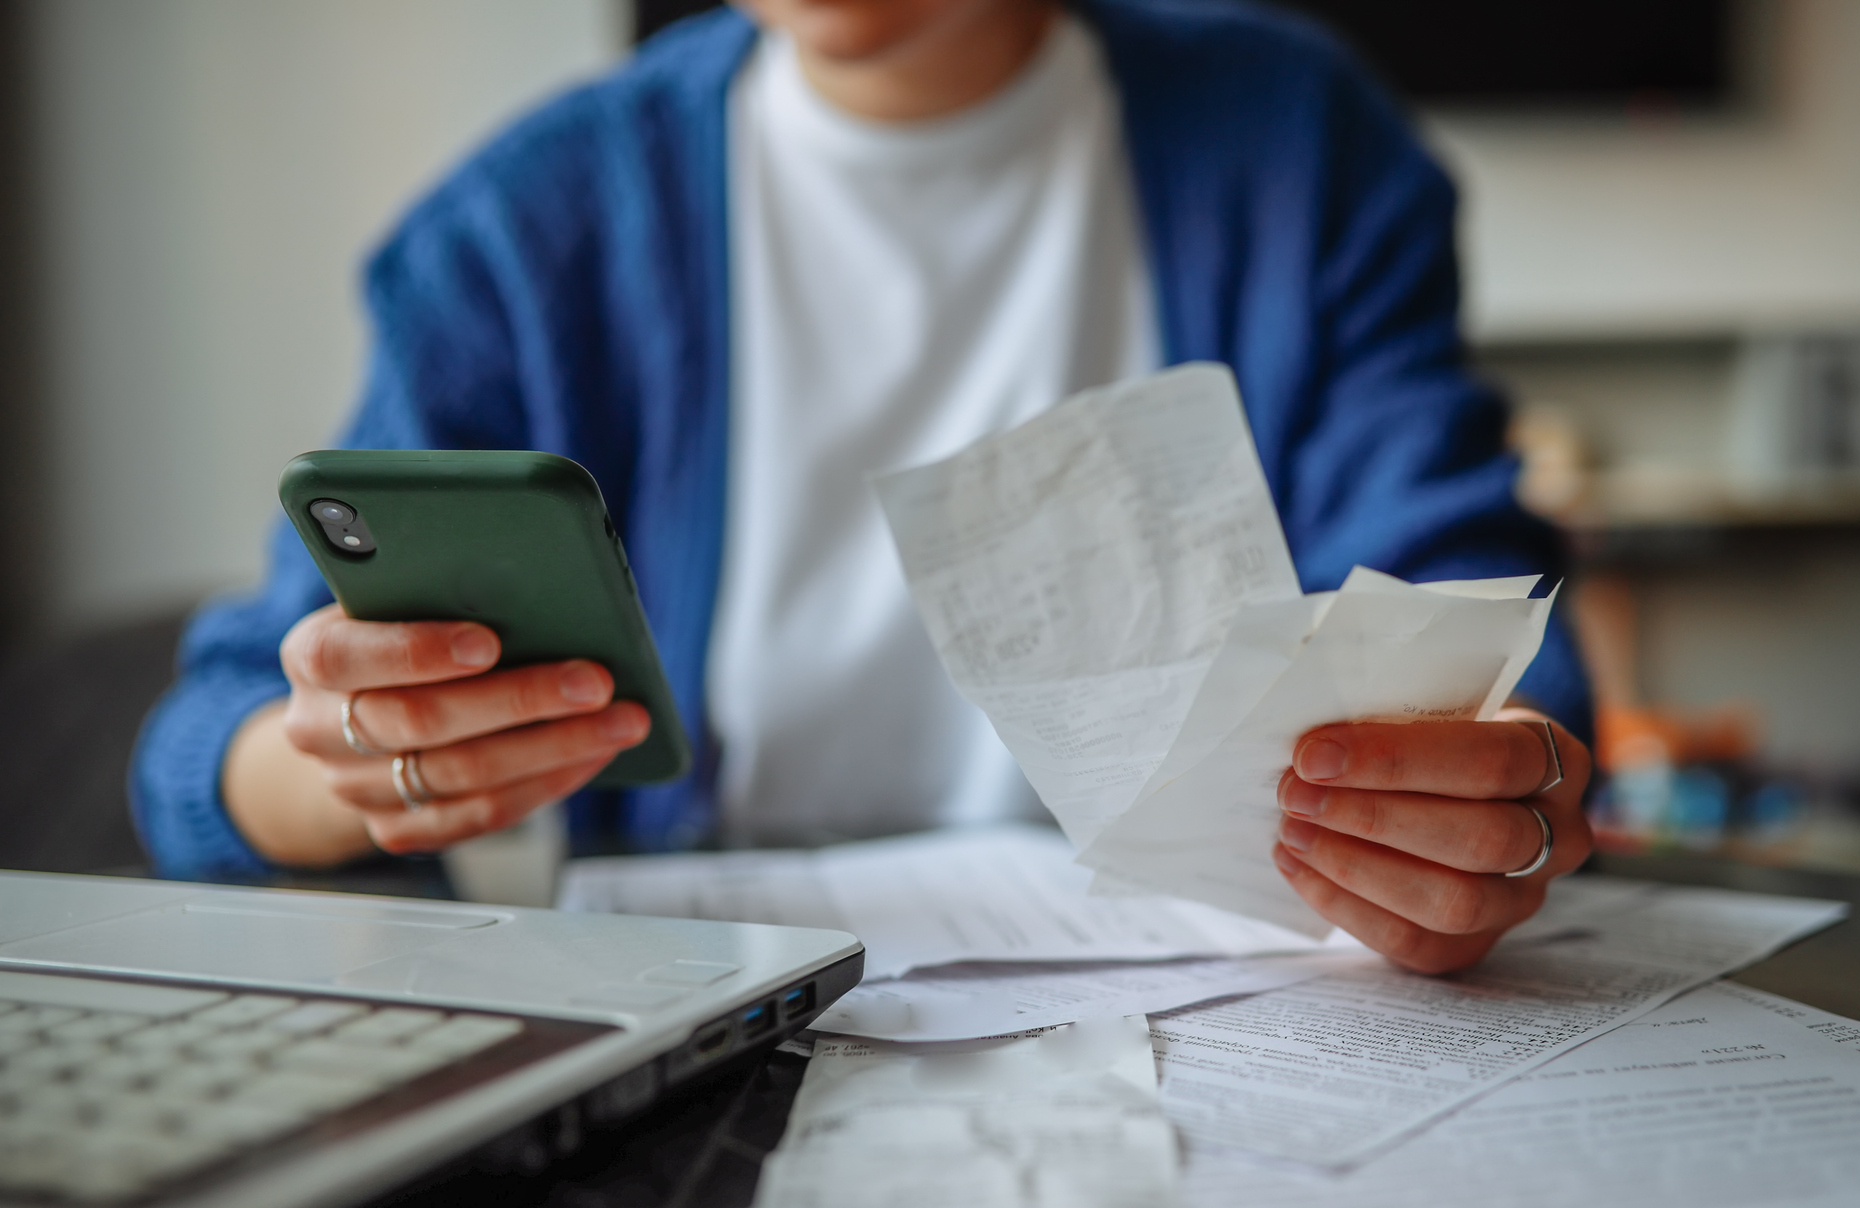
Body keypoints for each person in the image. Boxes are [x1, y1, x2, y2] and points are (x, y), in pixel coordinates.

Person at [132, 0, 1595, 975]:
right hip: (711, 1037)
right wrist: (351, 757)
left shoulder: (1302, 147)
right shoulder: (528, 229)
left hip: (1239, 1022)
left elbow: (1476, 630)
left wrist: (1476, 798)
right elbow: (203, 756)